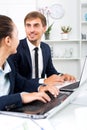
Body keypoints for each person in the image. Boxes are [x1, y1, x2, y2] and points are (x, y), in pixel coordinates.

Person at [0, 15, 59, 111]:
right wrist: (21, 97)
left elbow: (22, 83)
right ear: (8, 40)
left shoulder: (8, 64)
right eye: (17, 35)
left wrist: (40, 88)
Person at [11, 11, 76, 86]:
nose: (31, 30)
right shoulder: (16, 48)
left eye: (36, 25)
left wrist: (62, 76)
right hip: (23, 93)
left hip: (43, 91)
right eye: (28, 25)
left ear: (44, 28)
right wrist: (44, 81)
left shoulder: (46, 48)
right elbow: (16, 79)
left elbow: (51, 72)